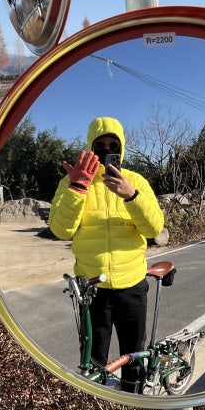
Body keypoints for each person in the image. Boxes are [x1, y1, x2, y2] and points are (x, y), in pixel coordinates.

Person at [49, 117, 164, 391]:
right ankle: (97, 408)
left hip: (132, 284)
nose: (106, 150)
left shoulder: (135, 181)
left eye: (113, 145)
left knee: (134, 357)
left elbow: (154, 228)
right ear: (90, 147)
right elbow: (61, 230)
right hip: (92, 289)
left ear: (122, 148)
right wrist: (78, 187)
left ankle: (134, 402)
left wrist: (131, 195)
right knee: (94, 362)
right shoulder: (72, 181)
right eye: (100, 145)